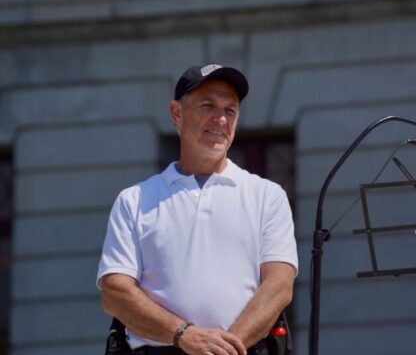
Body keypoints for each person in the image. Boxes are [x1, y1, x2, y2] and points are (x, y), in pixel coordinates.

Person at [97, 64, 298, 355]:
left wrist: (224, 349)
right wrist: (183, 335)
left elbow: (278, 286)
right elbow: (115, 293)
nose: (220, 119)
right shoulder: (135, 200)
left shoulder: (267, 196)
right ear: (176, 113)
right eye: (208, 106)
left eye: (230, 111)